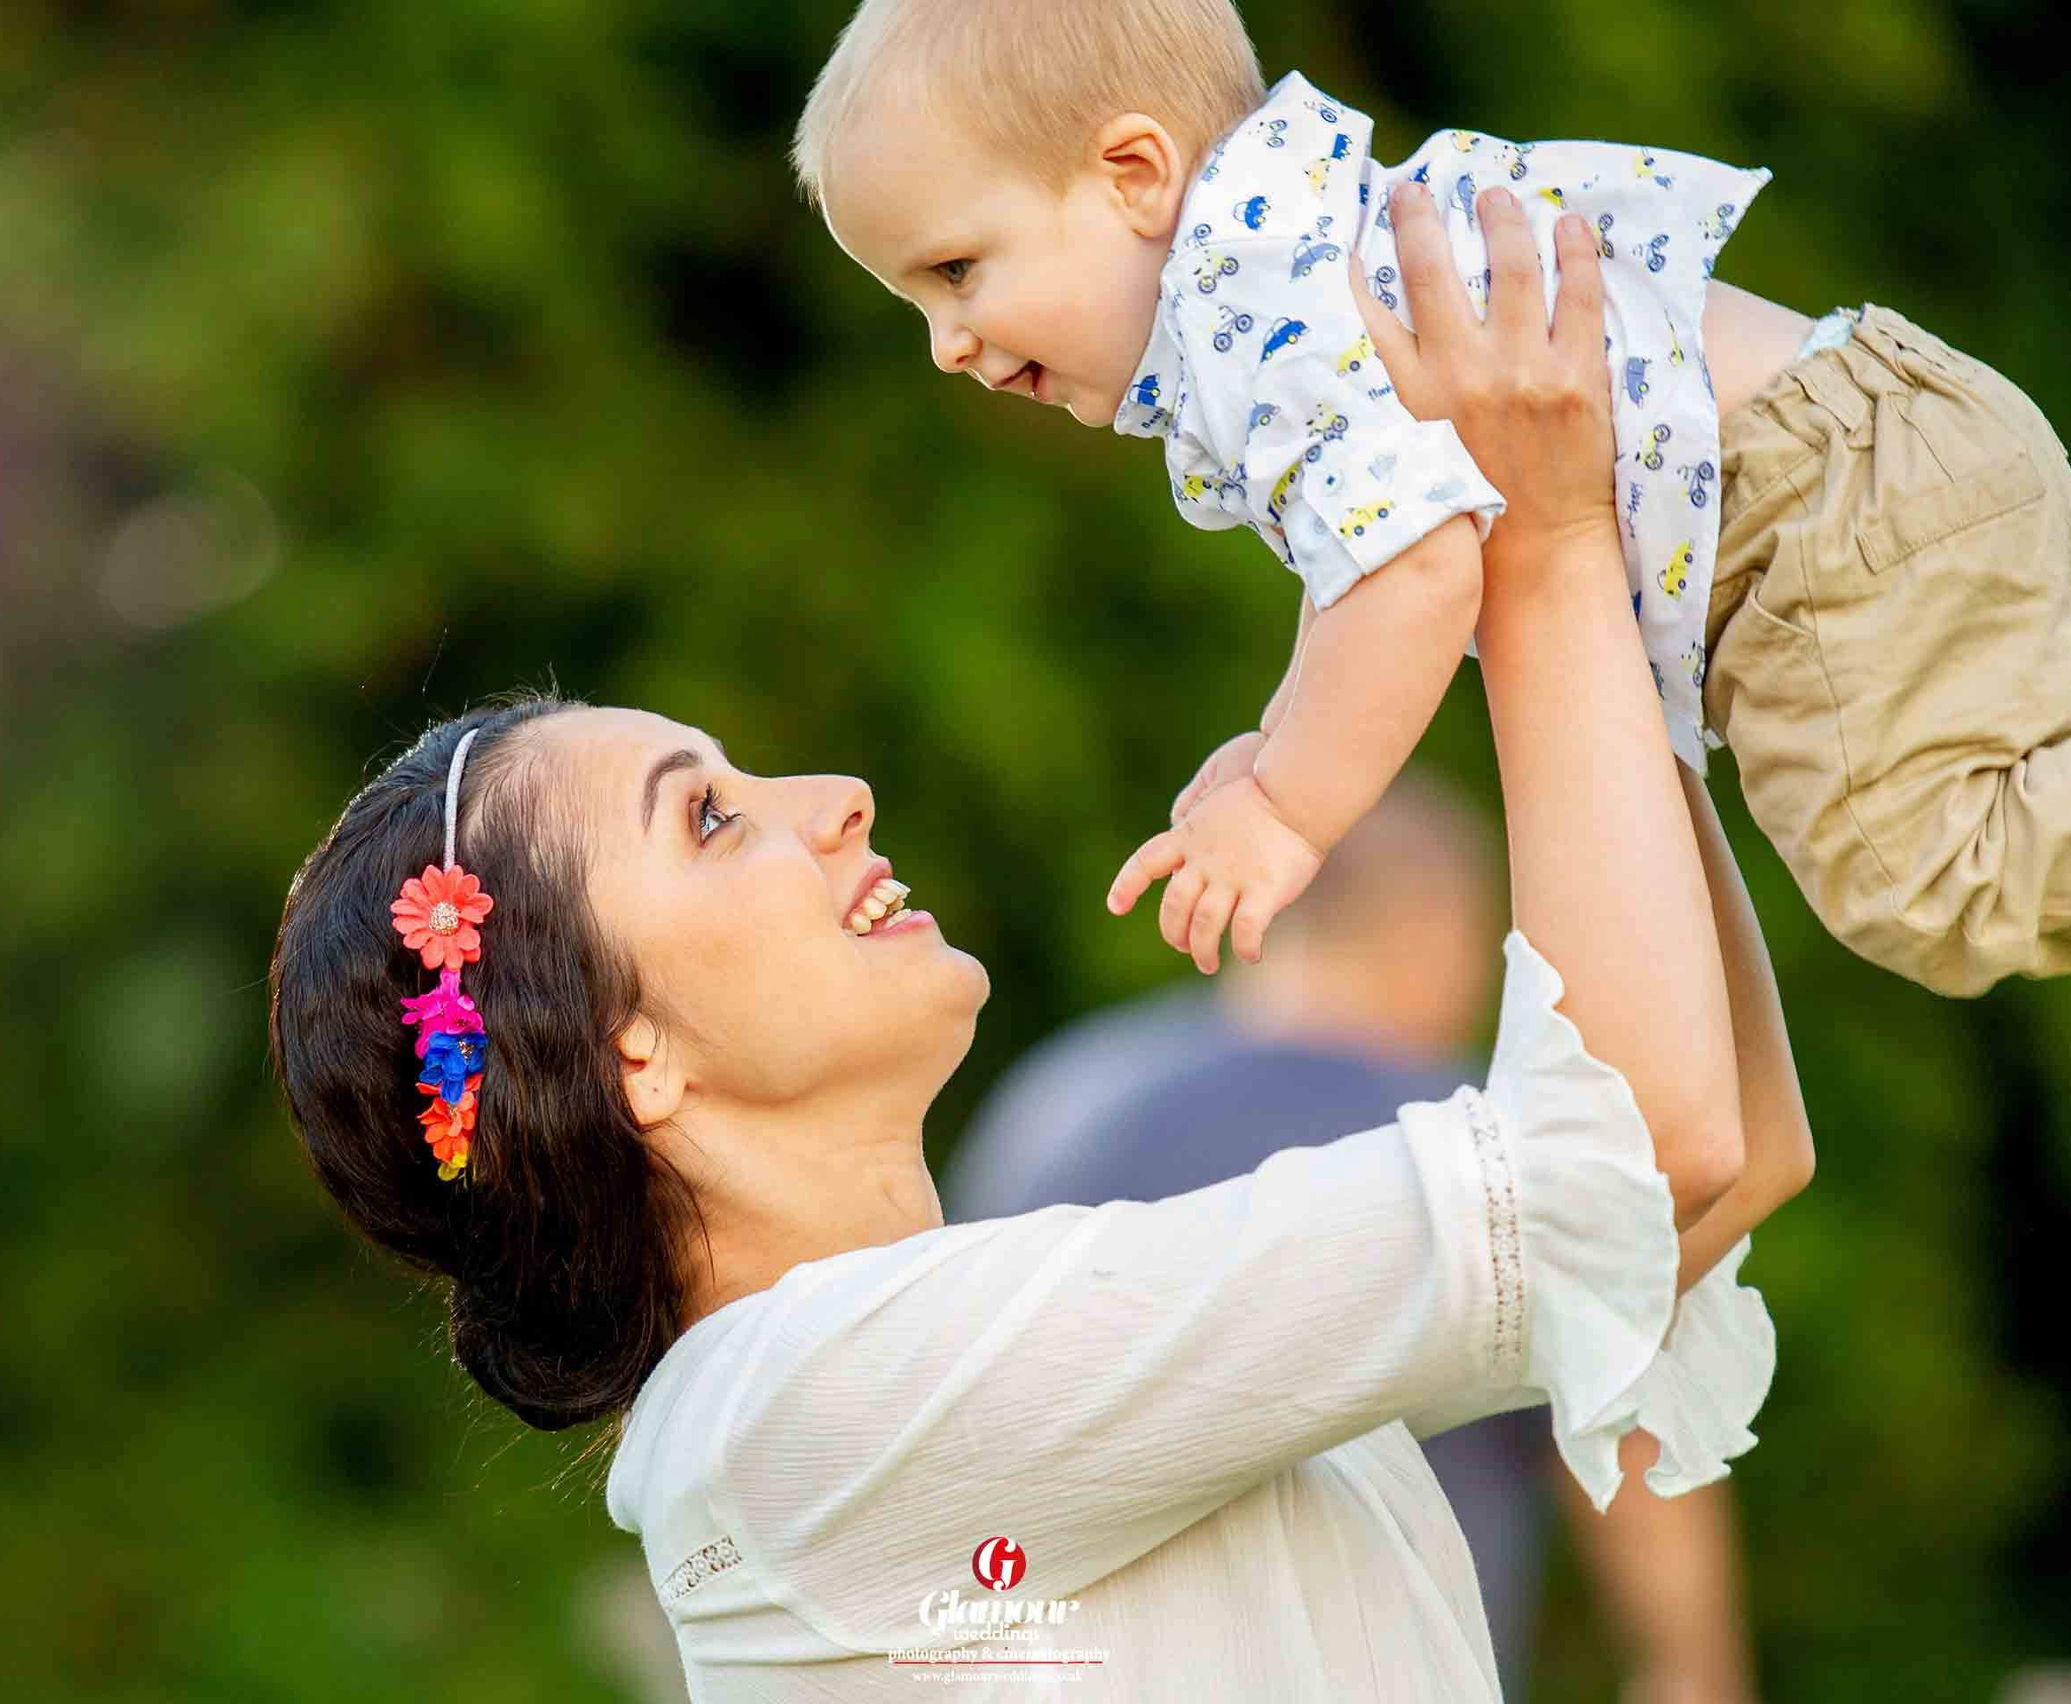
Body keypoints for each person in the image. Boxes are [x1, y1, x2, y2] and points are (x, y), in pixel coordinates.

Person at [265, 187, 1815, 1700]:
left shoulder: (966, 1367)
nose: (837, 799)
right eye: (712, 820)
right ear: (632, 1056)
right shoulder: (821, 1410)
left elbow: (1719, 1157)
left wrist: (1611, 596)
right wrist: (1535, 552)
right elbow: (1634, 1161)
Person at [792, 0, 2071, 996]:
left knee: (1930, 881)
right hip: (1876, 452)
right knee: (2035, 794)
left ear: (1130, 174)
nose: (949, 345)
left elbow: (1415, 573)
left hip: (1817, 501)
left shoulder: (1259, 308)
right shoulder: (1282, 258)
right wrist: (1276, 738)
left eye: (956, 272)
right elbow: (1377, 563)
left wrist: (1293, 812)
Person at [944, 775, 1763, 1702]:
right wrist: (1689, 1667)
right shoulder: (1480, 1150)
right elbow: (1628, 1426)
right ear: (1437, 931)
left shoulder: (1061, 1104)